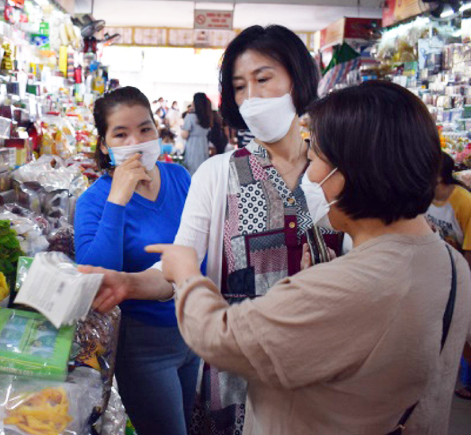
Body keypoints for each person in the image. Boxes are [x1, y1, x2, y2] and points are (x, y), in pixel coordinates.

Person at [147, 80, 471, 435]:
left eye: (315, 160)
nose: (310, 177)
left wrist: (187, 275)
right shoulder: (451, 263)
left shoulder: (349, 285)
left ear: (351, 174)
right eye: (241, 85)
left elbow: (220, 337)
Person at [81, 25, 342, 435]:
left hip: (323, 364)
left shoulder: (335, 170)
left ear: (298, 78)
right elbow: (180, 263)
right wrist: (128, 284)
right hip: (237, 367)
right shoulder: (217, 174)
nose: (251, 97)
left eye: (263, 78)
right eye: (239, 86)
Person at [74, 87, 200, 435]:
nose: (137, 140)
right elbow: (93, 282)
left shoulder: (180, 178)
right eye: (121, 133)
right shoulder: (94, 201)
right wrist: (118, 198)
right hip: (143, 347)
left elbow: (198, 250)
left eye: (145, 129)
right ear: (104, 144)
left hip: (194, 333)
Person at [426, 152, 471, 400]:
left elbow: (469, 251)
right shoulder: (428, 198)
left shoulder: (464, 201)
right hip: (448, 271)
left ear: (438, 176)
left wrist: (462, 283)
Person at [182, 93, 212, 175]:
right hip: (203, 145)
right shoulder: (207, 116)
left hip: (193, 145)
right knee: (202, 170)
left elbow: (184, 135)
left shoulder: (190, 116)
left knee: (192, 169)